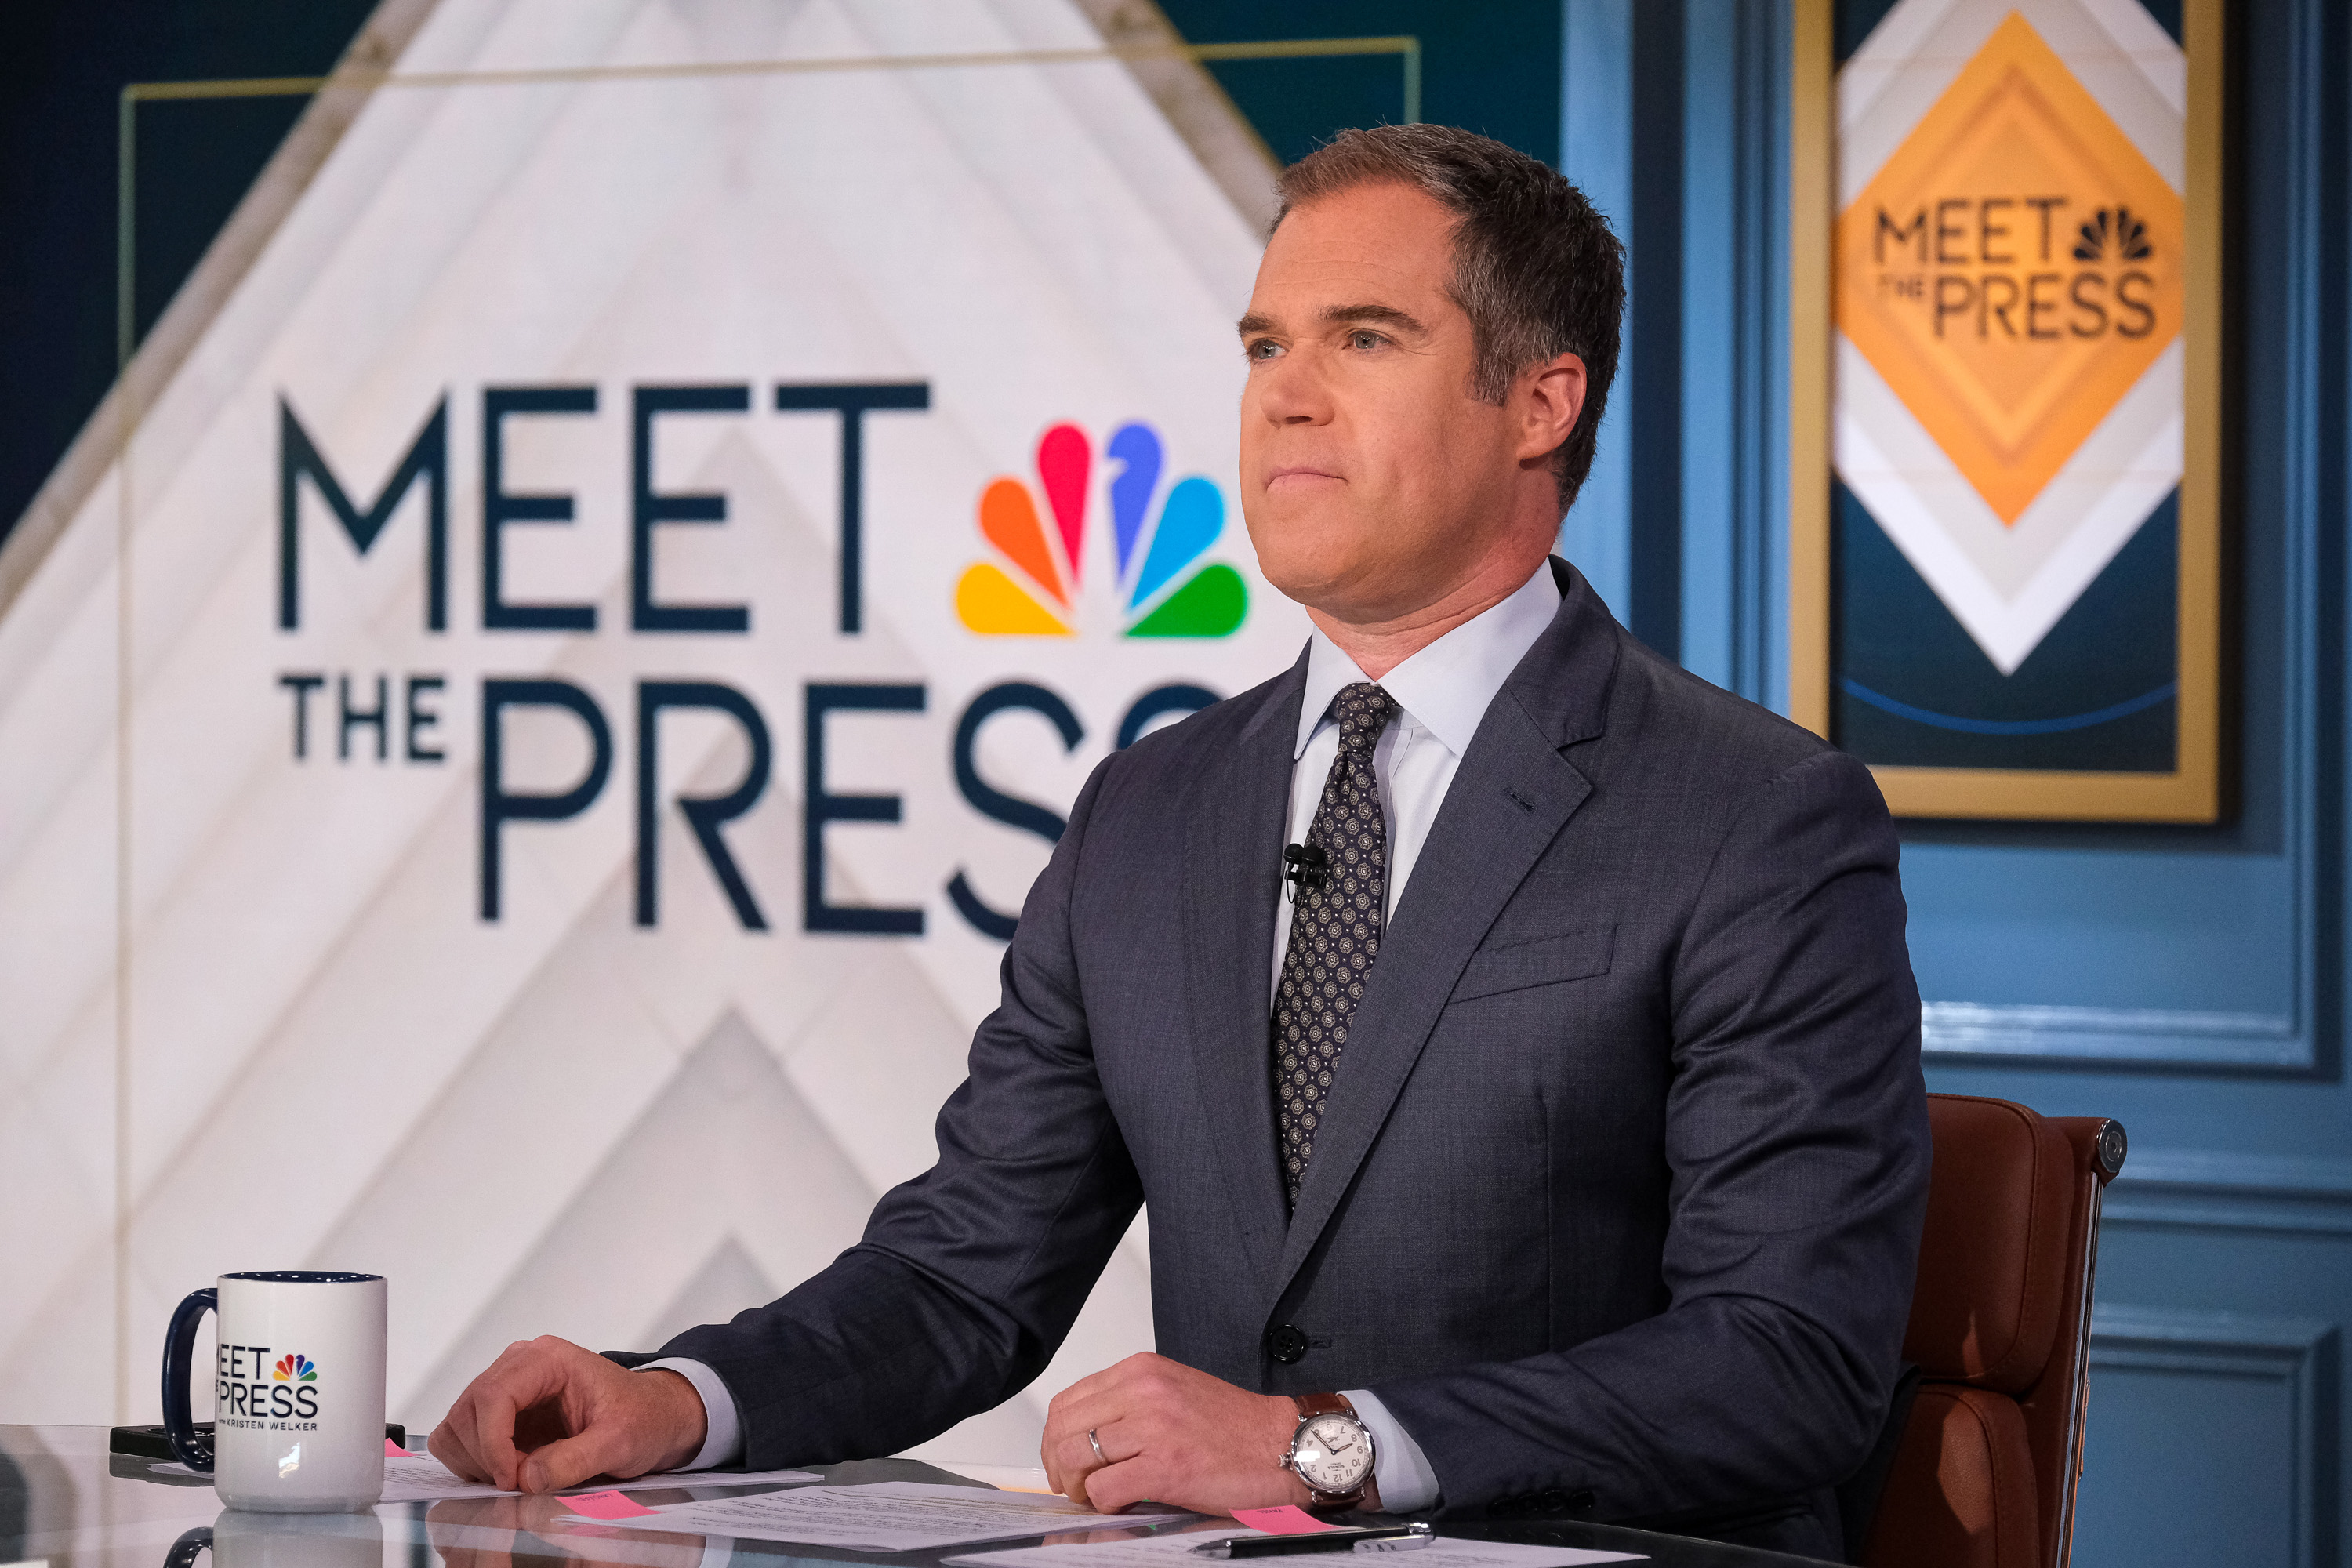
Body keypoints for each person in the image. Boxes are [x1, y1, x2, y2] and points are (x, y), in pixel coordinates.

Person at [430, 124, 1929, 1561]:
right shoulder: (1145, 814)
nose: (1285, 395)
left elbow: (1783, 1359)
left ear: (1541, 404)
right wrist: (683, 1401)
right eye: (1266, 346)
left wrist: (1321, 1447)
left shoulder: (1753, 820)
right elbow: (968, 1270)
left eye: (1365, 338)